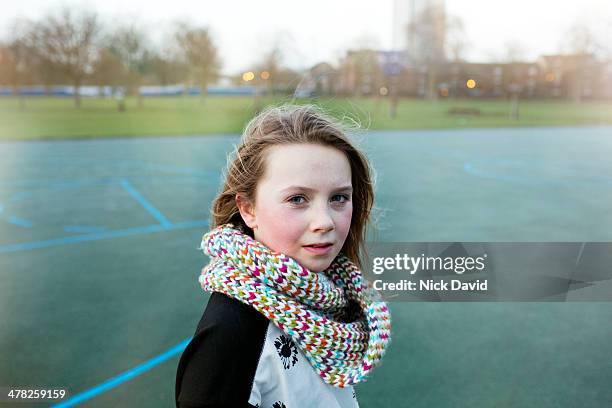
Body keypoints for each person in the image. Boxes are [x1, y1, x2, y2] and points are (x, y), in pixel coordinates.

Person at [175, 104, 391, 408]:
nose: (325, 221)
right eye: (298, 199)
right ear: (248, 209)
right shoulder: (231, 336)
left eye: (339, 198)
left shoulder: (328, 298)